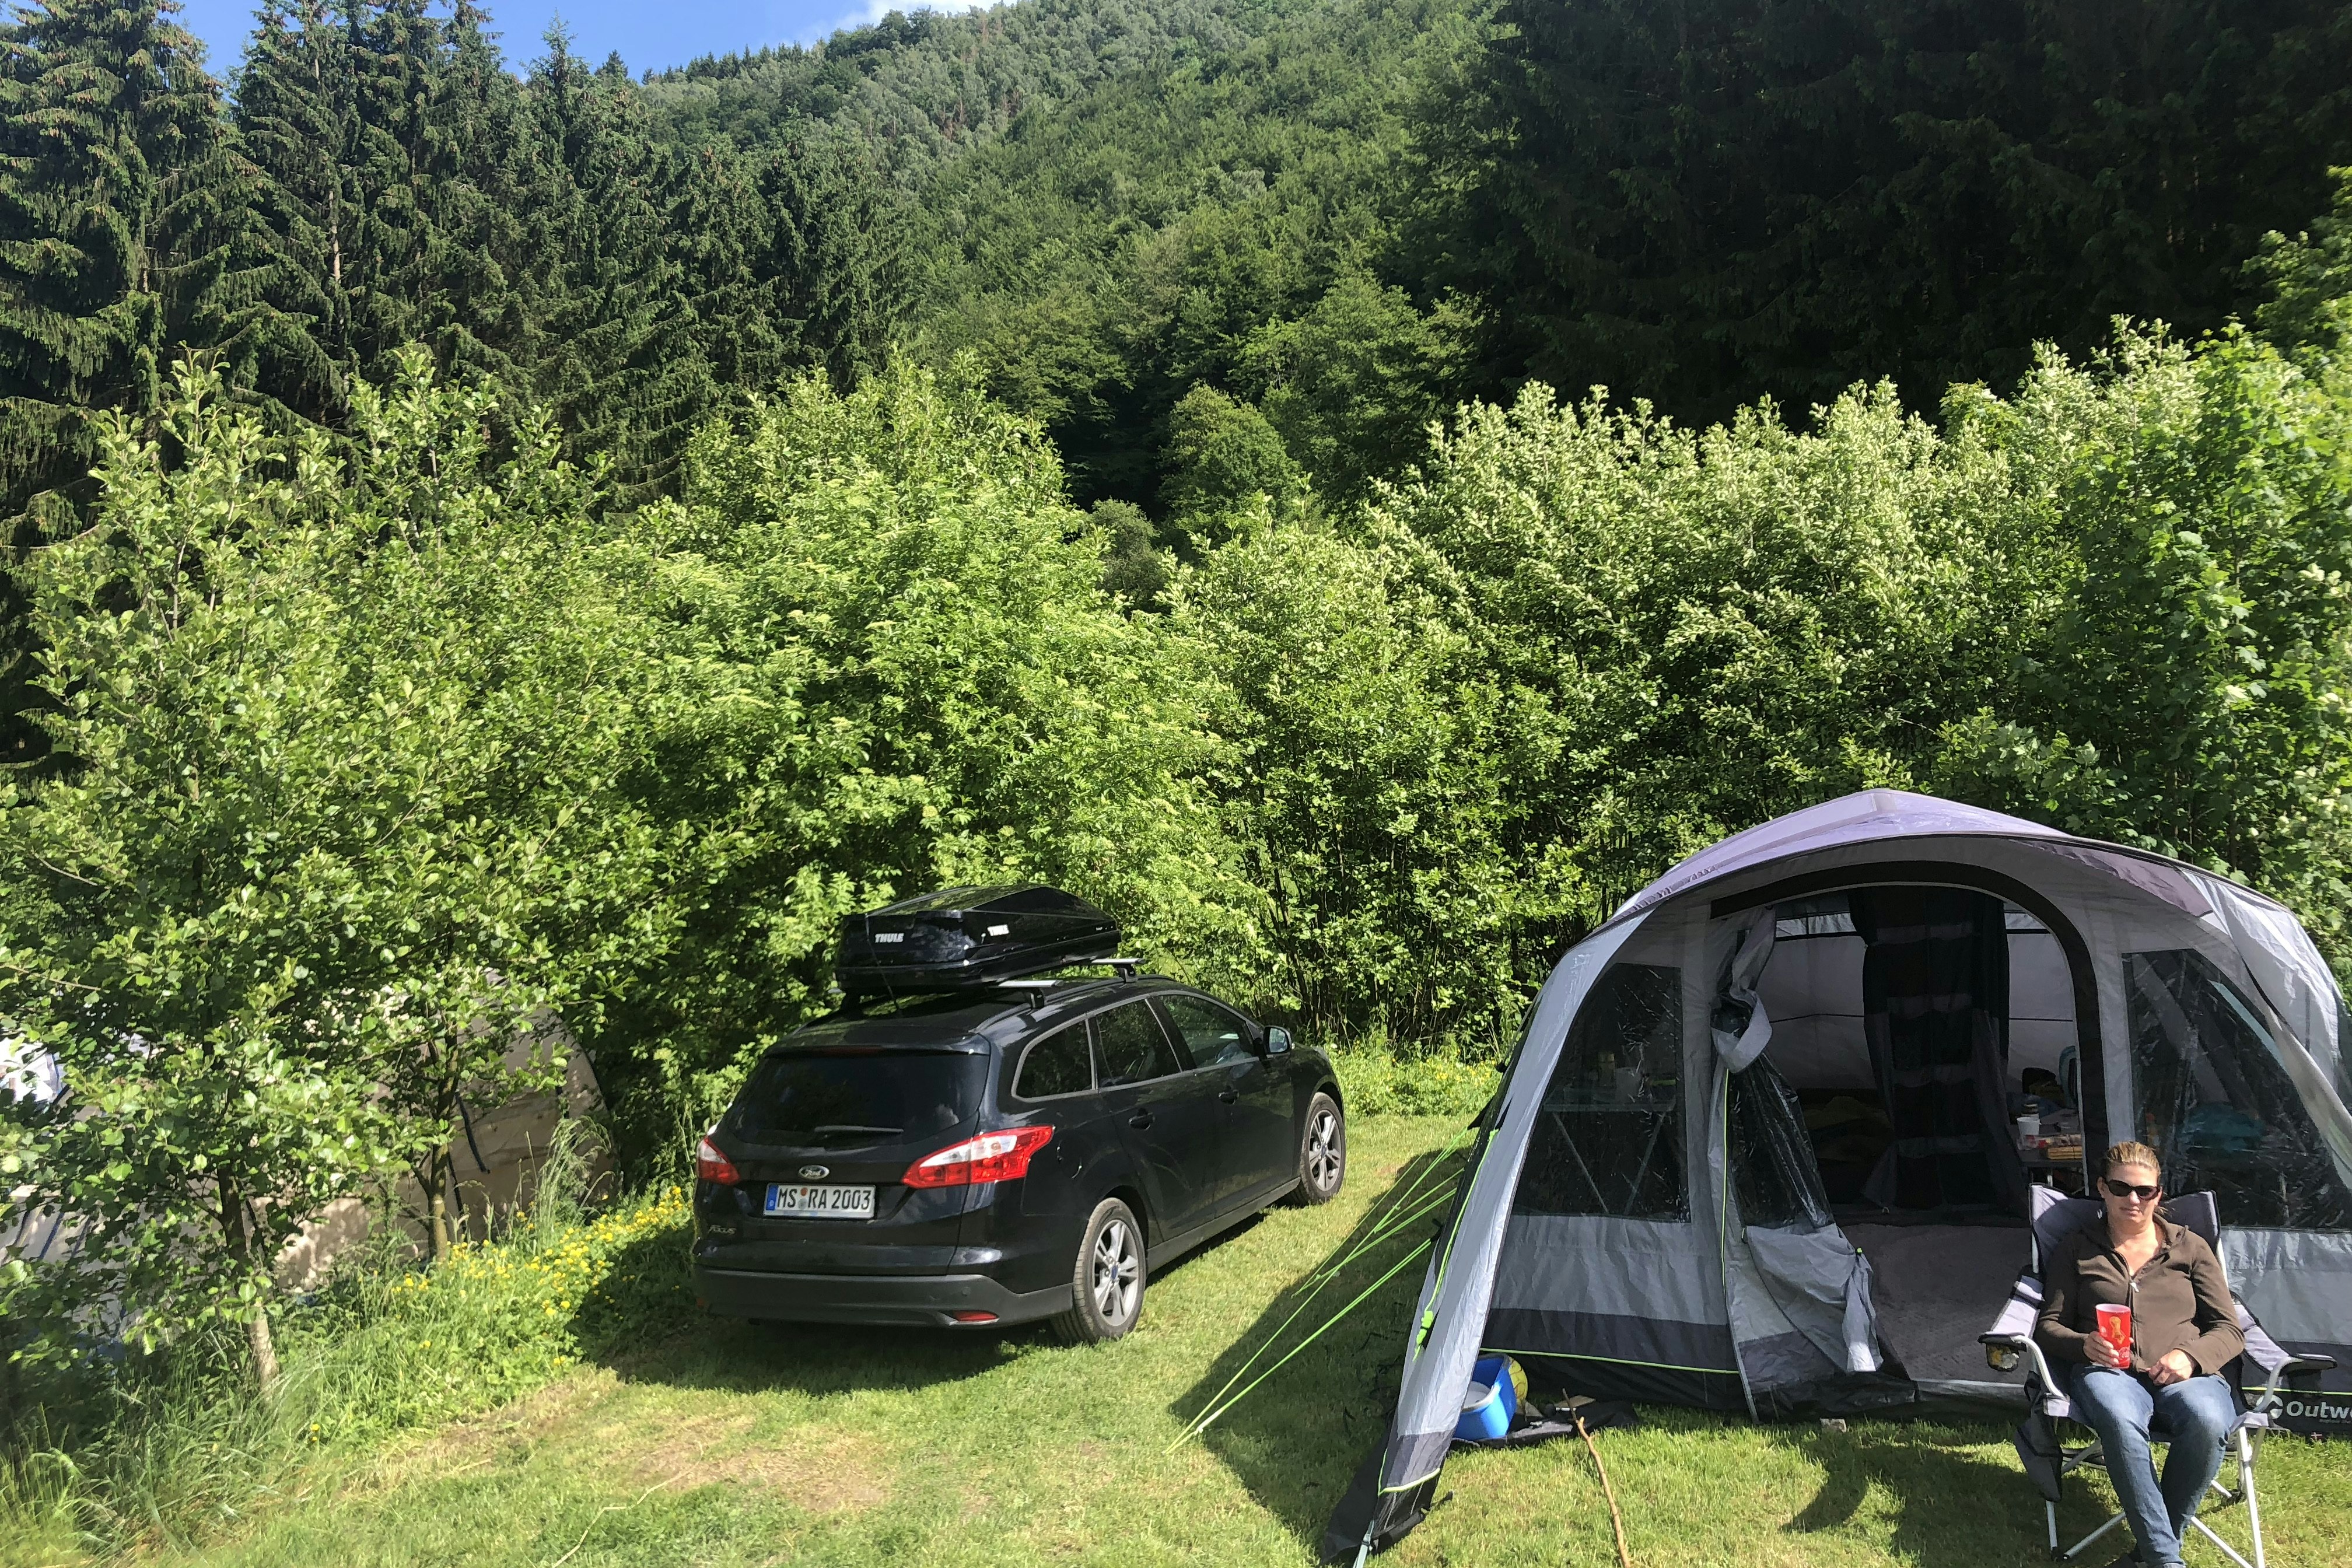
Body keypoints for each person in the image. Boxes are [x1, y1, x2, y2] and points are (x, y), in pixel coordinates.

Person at [2034, 1141, 2245, 1568]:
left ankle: (2146, 1558)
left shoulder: (2191, 1248)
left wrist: (2190, 1356)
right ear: (2103, 1190)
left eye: (2145, 1191)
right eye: (2121, 1188)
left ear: (2159, 1194)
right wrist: (2083, 1344)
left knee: (2207, 1420)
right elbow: (2048, 1325)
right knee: (2119, 1419)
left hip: (2186, 1374)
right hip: (2108, 1372)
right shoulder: (2078, 1248)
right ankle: (2166, 1561)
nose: (2134, 1199)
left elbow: (2229, 1330)